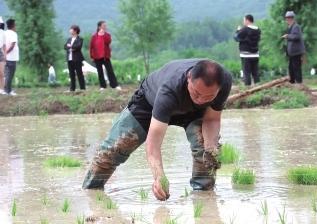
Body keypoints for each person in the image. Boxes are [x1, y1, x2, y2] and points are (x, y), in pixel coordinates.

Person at [82, 59, 232, 201]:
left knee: (205, 151)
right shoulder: (169, 90)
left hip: (193, 113)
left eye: (208, 97)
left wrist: (210, 148)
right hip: (149, 104)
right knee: (115, 148)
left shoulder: (224, 82)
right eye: (197, 93)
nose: (200, 100)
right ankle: (91, 192)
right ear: (189, 78)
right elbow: (153, 146)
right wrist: (159, 177)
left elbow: (212, 119)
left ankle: (204, 198)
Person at [90, 21, 121, 91]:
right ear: (99, 27)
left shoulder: (107, 35)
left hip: (105, 56)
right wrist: (92, 56)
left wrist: (103, 34)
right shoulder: (94, 36)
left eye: (105, 25)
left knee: (110, 71)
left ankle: (115, 85)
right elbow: (91, 47)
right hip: (96, 56)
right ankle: (102, 86)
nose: (105, 27)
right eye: (104, 25)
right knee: (100, 72)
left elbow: (108, 41)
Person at [234, 14, 261, 87]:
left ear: (247, 20)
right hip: (255, 54)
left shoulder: (244, 29)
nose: (243, 22)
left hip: (246, 55)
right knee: (255, 72)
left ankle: (248, 88)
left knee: (247, 72)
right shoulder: (258, 30)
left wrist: (238, 30)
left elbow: (236, 38)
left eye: (244, 20)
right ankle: (258, 87)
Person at [282, 11, 306, 84]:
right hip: (292, 53)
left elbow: (296, 36)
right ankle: (292, 83)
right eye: (286, 18)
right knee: (291, 69)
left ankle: (299, 84)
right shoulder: (291, 27)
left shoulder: (296, 26)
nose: (287, 20)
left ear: (291, 19)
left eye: (288, 18)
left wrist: (287, 36)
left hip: (296, 52)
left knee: (296, 69)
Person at [64, 25, 86, 92]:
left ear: (75, 31)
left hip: (77, 59)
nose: (70, 30)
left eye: (71, 29)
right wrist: (71, 47)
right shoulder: (69, 39)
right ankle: (72, 88)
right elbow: (65, 46)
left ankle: (82, 88)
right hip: (69, 59)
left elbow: (78, 46)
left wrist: (70, 47)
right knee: (71, 74)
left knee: (79, 73)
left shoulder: (80, 39)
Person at [4, 19, 19, 96]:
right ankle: (8, 91)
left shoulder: (5, 33)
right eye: (15, 24)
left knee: (7, 74)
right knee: (10, 75)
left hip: (6, 58)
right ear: (13, 25)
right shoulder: (13, 34)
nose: (16, 26)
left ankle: (6, 90)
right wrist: (7, 52)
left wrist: (4, 53)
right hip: (12, 58)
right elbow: (12, 45)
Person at [0, 16, 6, 94]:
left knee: (1, 72)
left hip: (0, 52)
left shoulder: (3, 33)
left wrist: (5, 55)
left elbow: (4, 45)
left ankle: (2, 89)